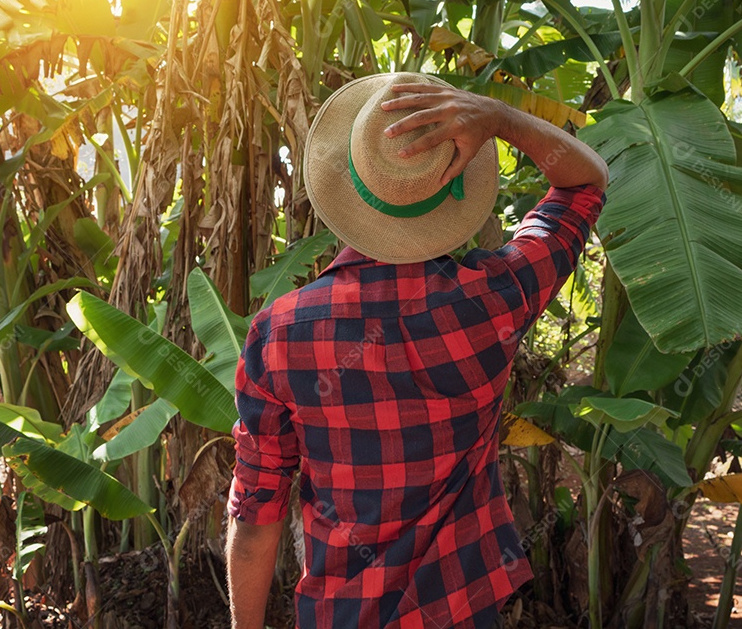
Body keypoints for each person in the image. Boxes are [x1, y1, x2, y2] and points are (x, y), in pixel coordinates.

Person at [226, 72, 609, 629]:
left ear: (346, 182)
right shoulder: (497, 296)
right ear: (452, 189)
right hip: (459, 610)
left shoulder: (280, 333)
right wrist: (499, 118)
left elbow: (257, 518)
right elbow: (584, 184)